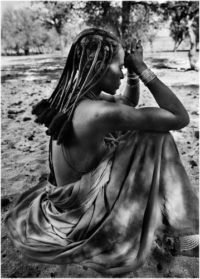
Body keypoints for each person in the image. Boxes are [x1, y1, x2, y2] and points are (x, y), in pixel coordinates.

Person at [5, 28, 199, 276]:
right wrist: (141, 67)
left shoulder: (76, 97)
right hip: (82, 208)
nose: (121, 71)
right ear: (98, 67)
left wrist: (131, 74)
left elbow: (127, 102)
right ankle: (184, 235)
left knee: (130, 133)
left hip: (64, 195)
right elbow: (179, 117)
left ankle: (174, 224)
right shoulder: (99, 113)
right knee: (155, 137)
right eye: (119, 66)